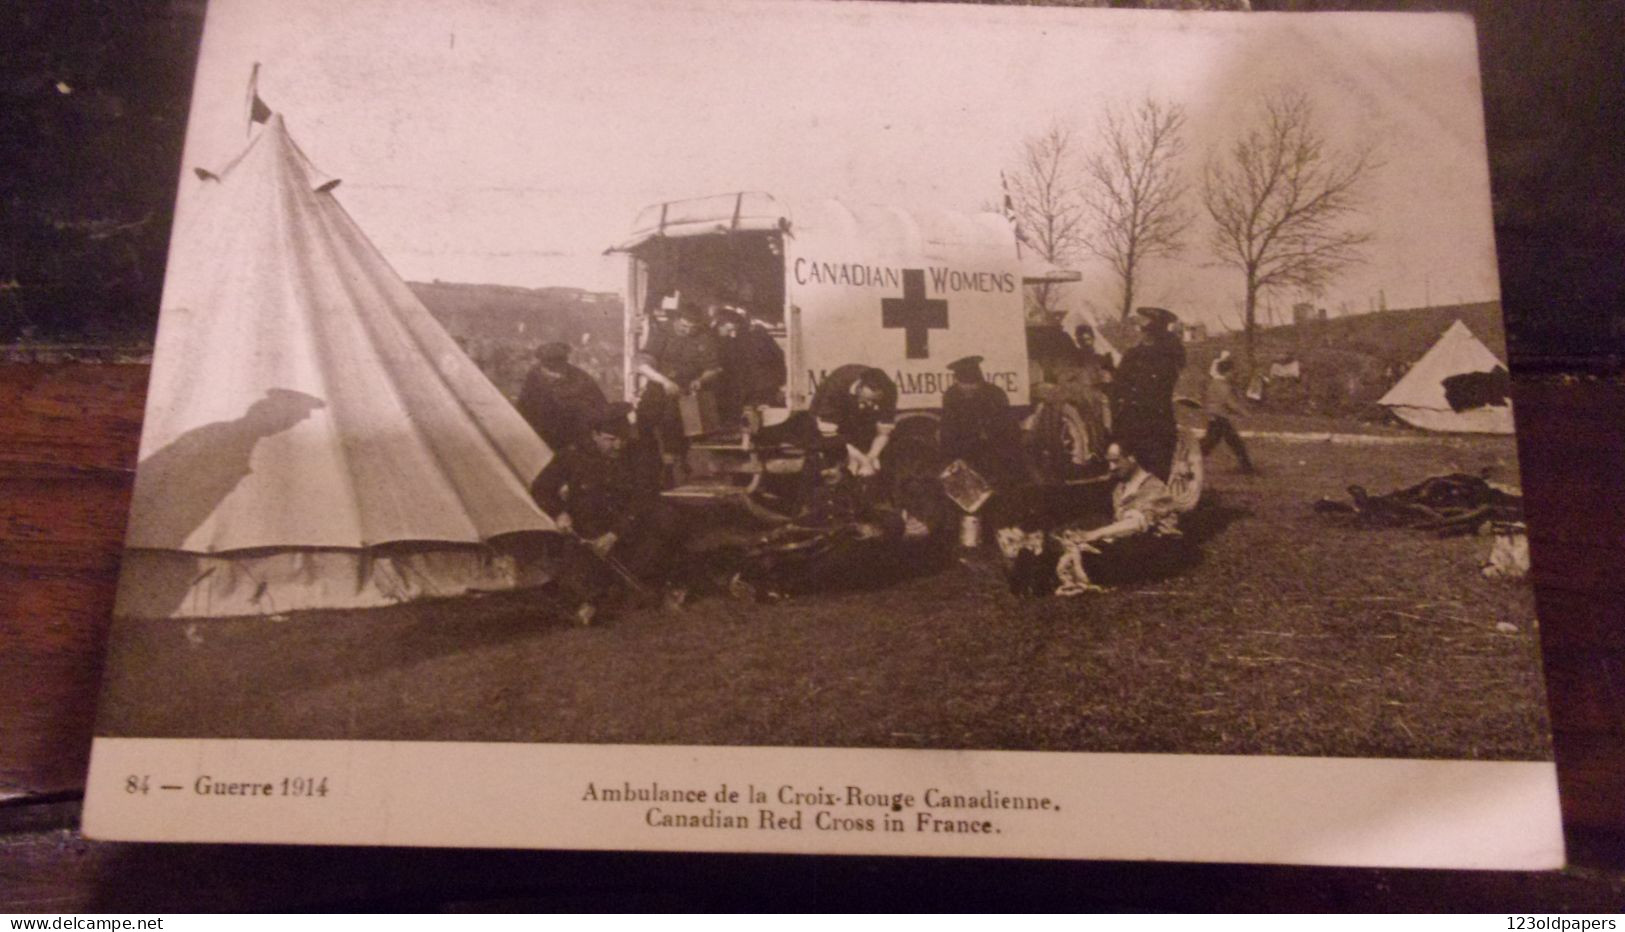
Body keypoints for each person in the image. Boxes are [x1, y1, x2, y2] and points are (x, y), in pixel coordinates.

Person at [530, 403, 688, 624]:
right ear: (594, 435)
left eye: (622, 439)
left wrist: (615, 534)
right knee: (578, 582)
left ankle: (659, 586)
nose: (618, 445)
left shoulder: (637, 455)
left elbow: (642, 498)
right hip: (588, 531)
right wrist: (559, 513)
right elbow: (541, 488)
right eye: (610, 439)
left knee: (665, 523)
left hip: (629, 527)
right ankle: (596, 597)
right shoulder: (572, 456)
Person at [1049, 440, 1188, 595]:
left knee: (1101, 559)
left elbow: (1137, 523)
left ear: (1132, 458)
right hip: (1133, 543)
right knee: (1082, 551)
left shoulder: (1154, 487)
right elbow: (1121, 528)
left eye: (1116, 461)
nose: (1112, 467)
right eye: (1109, 462)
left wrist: (1094, 534)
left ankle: (1081, 571)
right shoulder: (1120, 490)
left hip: (1159, 545)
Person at [635, 303, 723, 476]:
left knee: (675, 422)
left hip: (686, 389)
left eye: (692, 328)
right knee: (644, 420)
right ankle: (649, 464)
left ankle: (674, 465)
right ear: (676, 321)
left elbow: (714, 368)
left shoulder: (704, 337)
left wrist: (701, 380)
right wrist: (664, 382)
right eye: (684, 326)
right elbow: (642, 365)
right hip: (659, 384)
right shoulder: (661, 332)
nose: (688, 331)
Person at [1111, 306, 1185, 481]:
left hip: (1155, 419)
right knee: (1137, 469)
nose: (1142, 333)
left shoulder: (1169, 354)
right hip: (1138, 419)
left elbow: (1163, 383)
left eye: (1146, 329)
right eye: (1143, 330)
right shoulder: (1134, 354)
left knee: (1157, 468)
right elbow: (1119, 384)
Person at [939, 355, 1025, 488]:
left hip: (995, 451)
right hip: (965, 452)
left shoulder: (995, 394)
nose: (968, 389)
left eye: (973, 385)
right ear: (957, 381)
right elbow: (948, 430)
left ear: (980, 382)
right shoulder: (951, 395)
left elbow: (1008, 428)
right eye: (964, 385)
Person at [516, 341, 609, 451]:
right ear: (542, 364)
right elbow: (523, 406)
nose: (555, 373)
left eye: (558, 366)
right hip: (541, 437)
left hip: (575, 437)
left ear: (565, 362)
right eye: (548, 367)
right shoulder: (534, 376)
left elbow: (600, 408)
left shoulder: (581, 378)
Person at [808, 364, 898, 477]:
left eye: (875, 401)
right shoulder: (836, 387)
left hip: (858, 422)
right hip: (828, 424)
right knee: (833, 459)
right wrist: (862, 460)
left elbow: (883, 432)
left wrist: (871, 457)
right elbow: (829, 434)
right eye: (866, 400)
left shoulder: (889, 392)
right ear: (859, 388)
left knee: (868, 466)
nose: (870, 404)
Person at [713, 307, 787, 427]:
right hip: (762, 386)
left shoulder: (747, 338)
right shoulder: (747, 335)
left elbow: (746, 367)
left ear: (729, 325)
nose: (718, 331)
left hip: (758, 387)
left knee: (753, 416)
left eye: (719, 327)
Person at [1200, 350, 1256, 474]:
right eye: (1233, 372)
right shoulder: (1223, 385)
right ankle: (1247, 469)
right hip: (1220, 417)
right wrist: (1245, 414)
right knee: (1235, 443)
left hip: (1214, 416)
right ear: (1227, 372)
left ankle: (1247, 468)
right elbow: (1231, 403)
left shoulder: (1213, 383)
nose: (1234, 374)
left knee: (1210, 443)